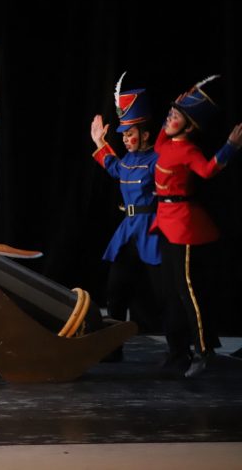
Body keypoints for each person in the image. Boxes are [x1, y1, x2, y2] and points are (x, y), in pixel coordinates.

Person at [150, 75, 242, 377]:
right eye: (170, 113)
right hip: (165, 222)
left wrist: (229, 147)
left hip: (183, 225)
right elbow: (160, 141)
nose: (169, 118)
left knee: (188, 291)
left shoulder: (188, 150)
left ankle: (204, 351)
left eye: (176, 117)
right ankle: (177, 351)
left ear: (189, 127)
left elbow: (207, 170)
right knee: (170, 291)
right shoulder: (165, 143)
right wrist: (180, 103)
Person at [90, 74, 161, 360]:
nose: (125, 139)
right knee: (116, 290)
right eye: (122, 135)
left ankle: (183, 350)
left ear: (145, 134)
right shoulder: (128, 160)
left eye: (129, 134)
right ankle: (113, 348)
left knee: (164, 293)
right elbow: (115, 168)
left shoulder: (158, 160)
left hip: (152, 231)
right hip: (127, 231)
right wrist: (99, 142)